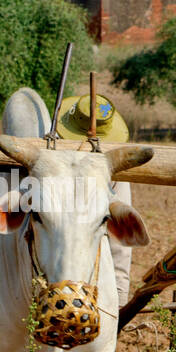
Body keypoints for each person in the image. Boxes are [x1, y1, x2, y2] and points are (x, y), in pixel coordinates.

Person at [51, 92, 135, 307]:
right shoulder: (51, 165)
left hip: (93, 268)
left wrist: (118, 296)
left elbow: (119, 245)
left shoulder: (114, 176)